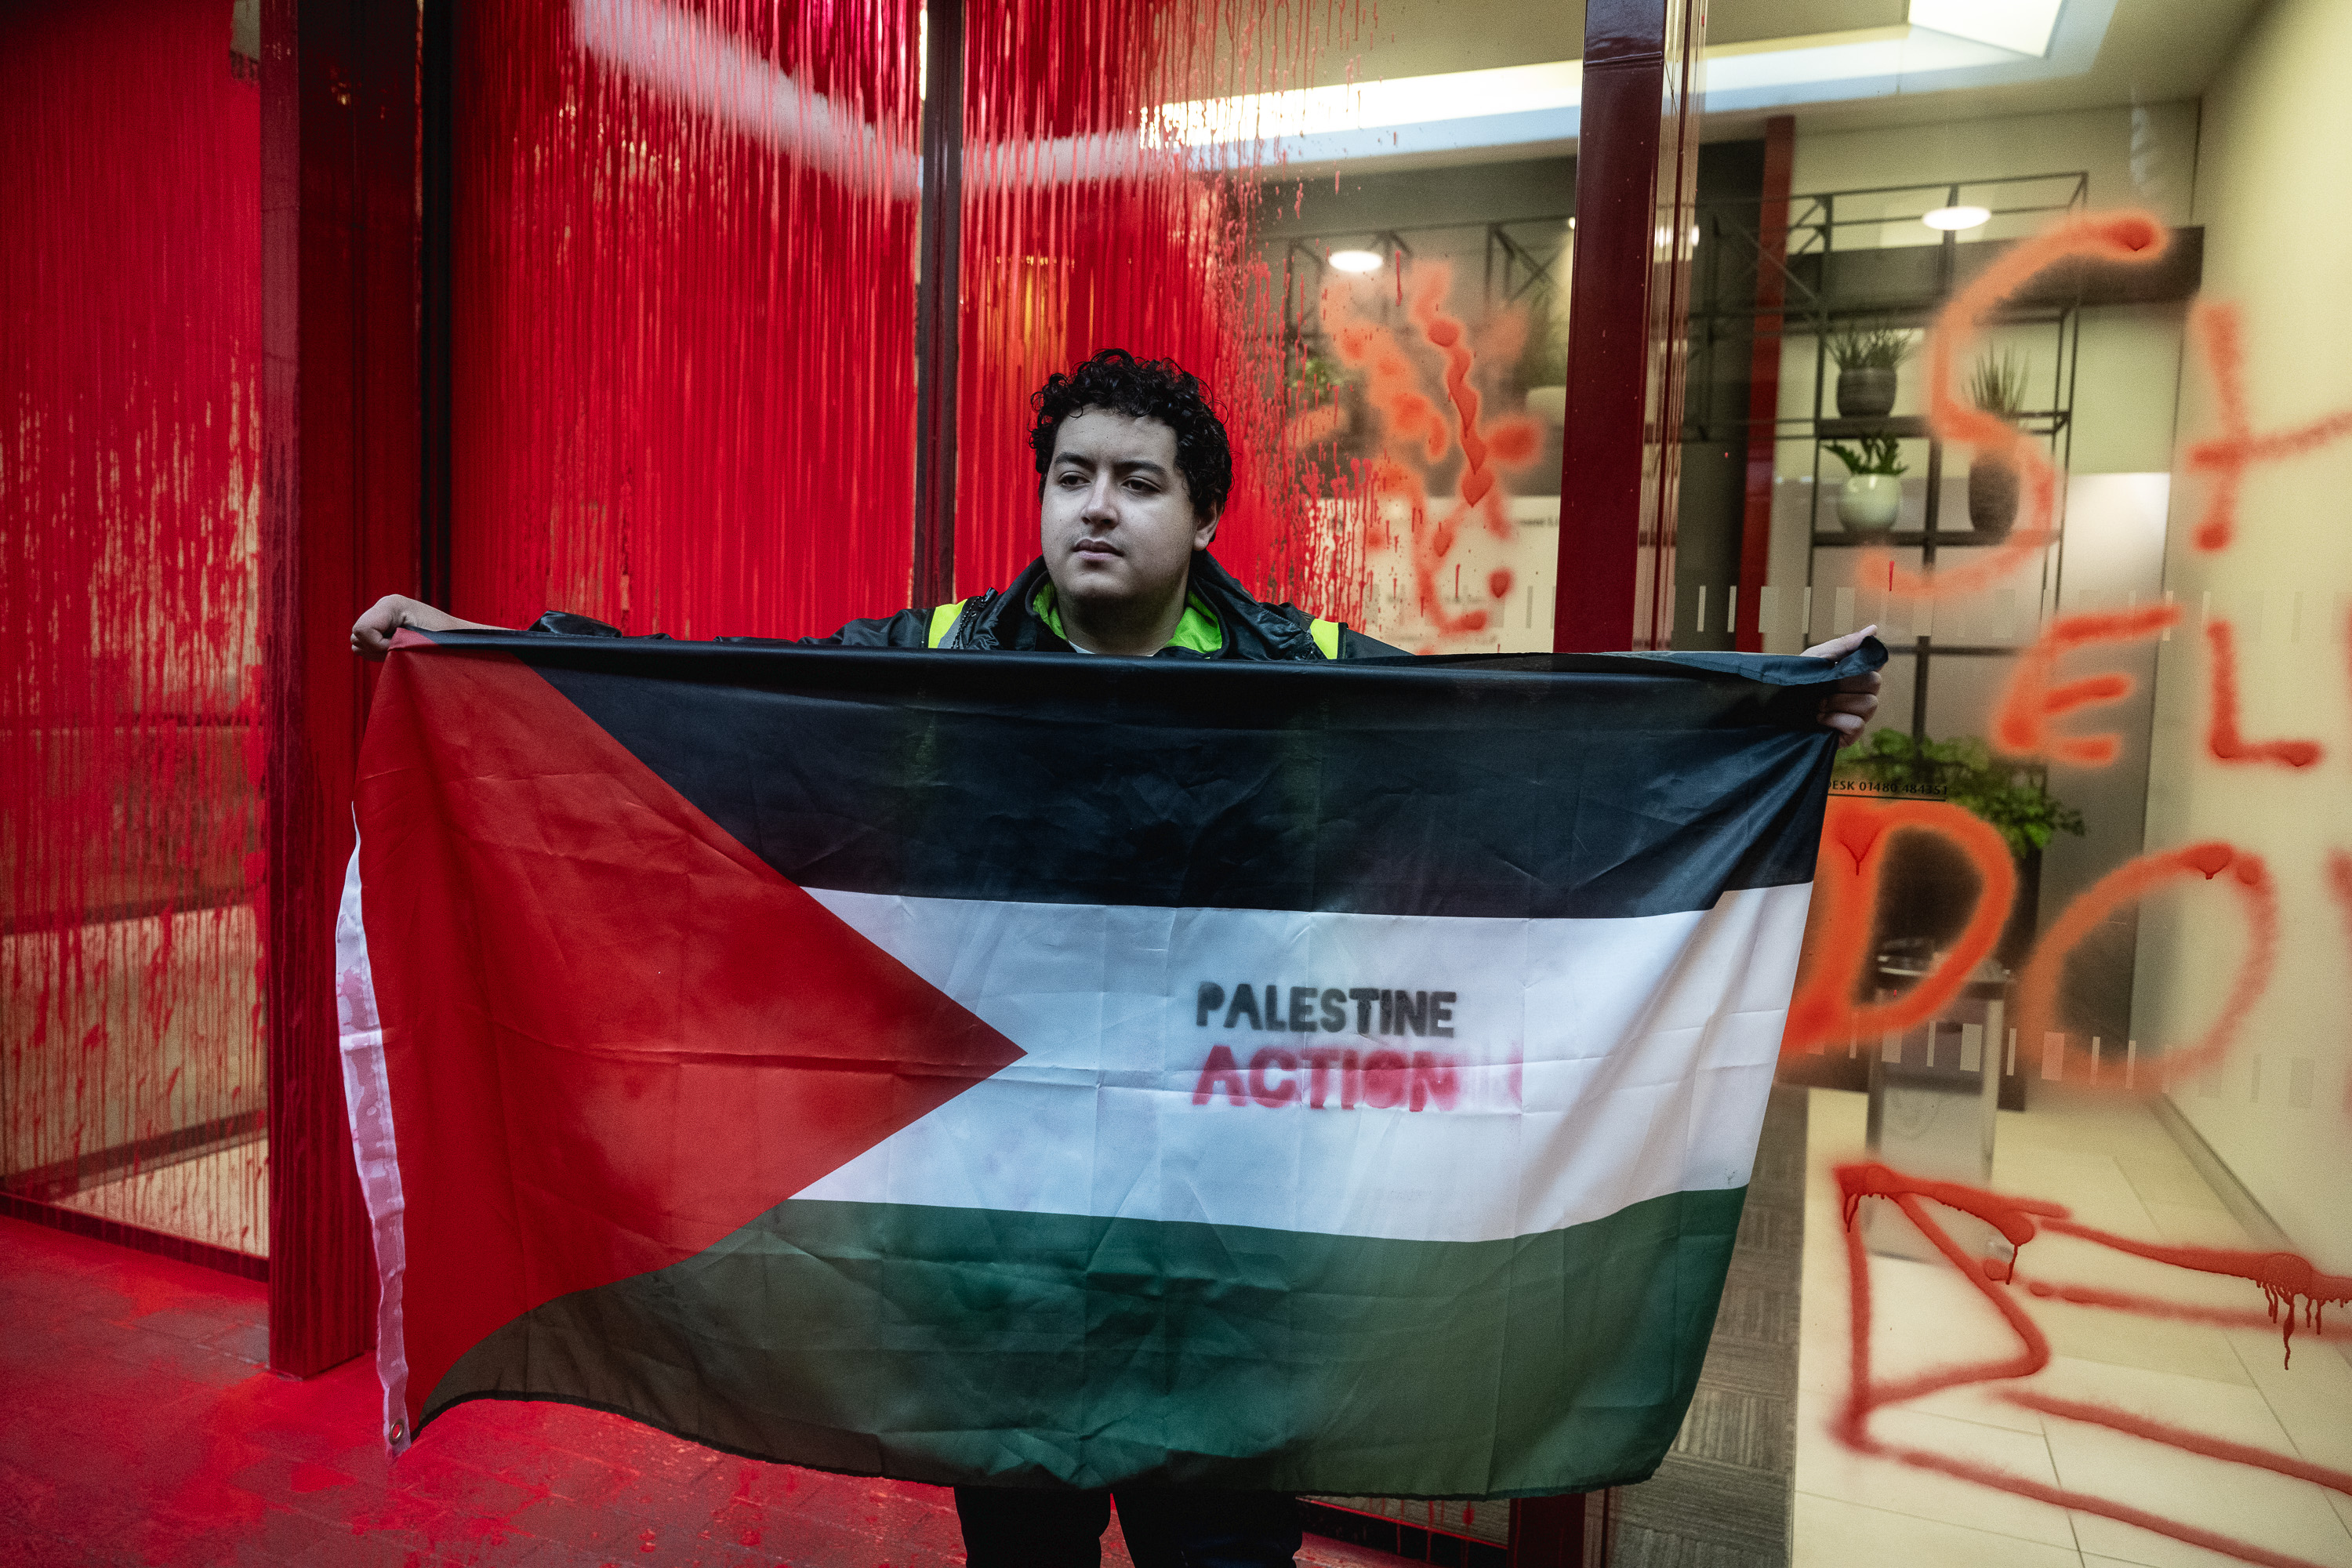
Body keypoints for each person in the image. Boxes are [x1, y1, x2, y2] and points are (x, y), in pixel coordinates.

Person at [352, 348, 1879, 1567]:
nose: (1096, 506)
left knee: (1218, 1536)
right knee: (1023, 1528)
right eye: (1071, 476)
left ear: (1201, 517)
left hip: (1237, 1204)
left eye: (1137, 482)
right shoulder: (949, 655)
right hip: (1005, 1210)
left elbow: (1538, 751)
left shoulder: (1311, 675)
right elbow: (710, 703)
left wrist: (1761, 711)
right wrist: (490, 651)